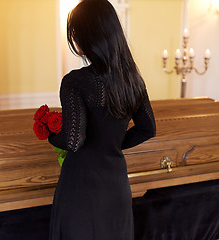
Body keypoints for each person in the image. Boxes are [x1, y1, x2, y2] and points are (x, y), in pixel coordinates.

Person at [47, 0, 156, 239]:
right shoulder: (134, 81)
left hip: (81, 186)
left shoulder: (75, 81)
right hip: (116, 183)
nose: (74, 41)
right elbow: (148, 129)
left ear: (89, 35)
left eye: (76, 33)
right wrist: (113, 145)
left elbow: (74, 140)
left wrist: (49, 132)